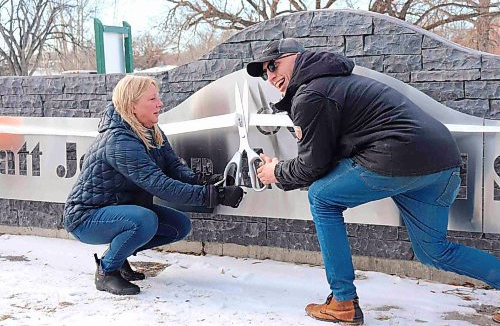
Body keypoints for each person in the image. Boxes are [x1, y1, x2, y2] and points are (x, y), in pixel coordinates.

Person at [247, 38, 500, 325]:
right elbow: (328, 156)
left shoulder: (312, 94)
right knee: (434, 251)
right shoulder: (334, 82)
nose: (269, 76)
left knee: (321, 197)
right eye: (263, 73)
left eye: (272, 65)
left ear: (295, 57)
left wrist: (276, 172)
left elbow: (313, 166)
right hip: (442, 164)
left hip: (398, 158)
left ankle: (342, 301)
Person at [64, 75, 244, 296]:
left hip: (120, 210)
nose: (160, 103)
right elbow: (160, 185)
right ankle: (106, 271)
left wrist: (207, 181)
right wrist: (214, 196)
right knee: (144, 220)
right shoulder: (119, 141)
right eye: (152, 99)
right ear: (132, 106)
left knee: (179, 225)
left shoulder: (151, 132)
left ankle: (118, 259)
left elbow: (175, 169)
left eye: (157, 98)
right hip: (86, 218)